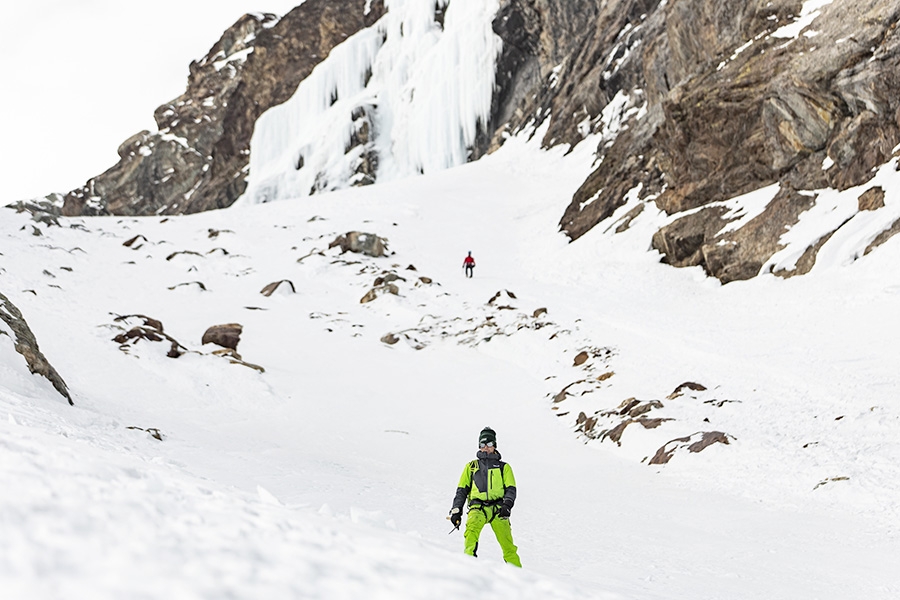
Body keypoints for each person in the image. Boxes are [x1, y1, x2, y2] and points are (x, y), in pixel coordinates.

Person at [448, 427, 521, 567]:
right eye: (482, 444)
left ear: (494, 446)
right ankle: (469, 567)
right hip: (477, 508)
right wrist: (456, 510)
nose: (485, 448)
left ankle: (519, 577)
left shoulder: (503, 467)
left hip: (499, 509)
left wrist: (507, 505)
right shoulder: (471, 466)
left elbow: (511, 489)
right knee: (471, 535)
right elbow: (462, 490)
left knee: (508, 545)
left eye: (489, 444)